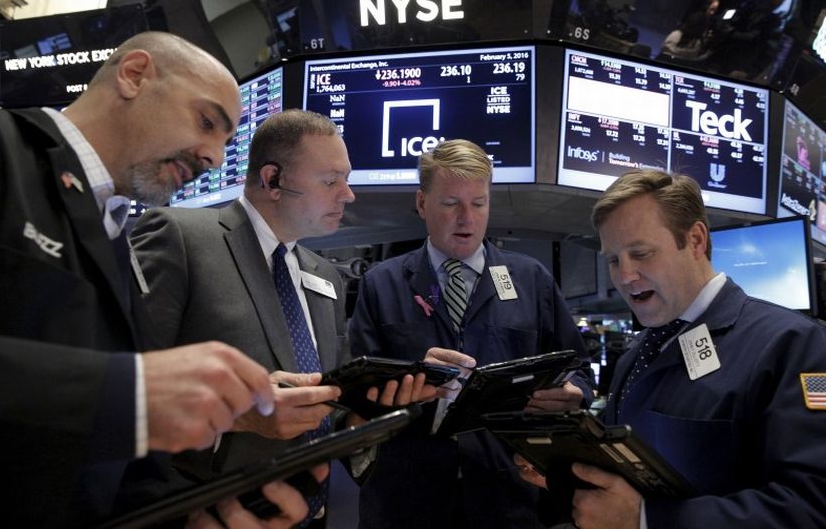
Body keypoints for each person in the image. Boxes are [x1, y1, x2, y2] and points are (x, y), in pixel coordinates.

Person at [0, 31, 317, 528]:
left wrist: (193, 516)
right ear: (134, 74)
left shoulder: (119, 239)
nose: (215, 158)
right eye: (207, 122)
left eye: (227, 142)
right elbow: (110, 401)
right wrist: (129, 393)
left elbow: (98, 465)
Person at [130, 108, 433, 525]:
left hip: (310, 515)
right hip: (206, 515)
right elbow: (124, 386)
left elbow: (326, 399)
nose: (348, 194)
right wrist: (237, 417)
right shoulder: (180, 237)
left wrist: (370, 409)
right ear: (273, 180)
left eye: (345, 178)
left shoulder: (323, 274)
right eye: (331, 181)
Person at [517, 169, 826, 528]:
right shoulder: (636, 354)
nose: (625, 276)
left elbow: (813, 505)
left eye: (641, 253)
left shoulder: (792, 345)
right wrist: (563, 466)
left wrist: (648, 520)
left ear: (695, 240)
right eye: (614, 260)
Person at [348, 139, 595, 528]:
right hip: (405, 498)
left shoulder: (530, 279)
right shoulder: (383, 283)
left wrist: (576, 393)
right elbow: (355, 391)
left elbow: (578, 367)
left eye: (478, 203)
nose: (466, 218)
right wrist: (411, 375)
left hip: (509, 497)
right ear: (422, 203)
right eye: (450, 203)